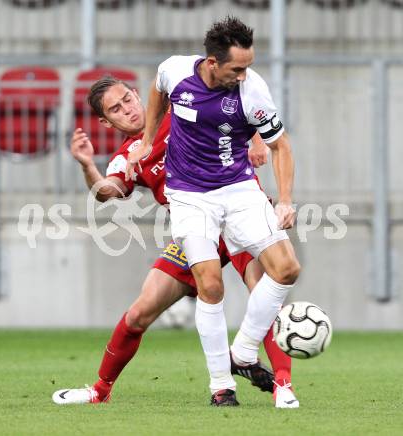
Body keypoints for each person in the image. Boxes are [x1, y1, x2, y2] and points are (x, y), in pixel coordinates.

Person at [52, 76, 297, 408]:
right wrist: (87, 167)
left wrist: (255, 139)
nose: (128, 109)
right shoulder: (129, 156)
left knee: (264, 292)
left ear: (138, 95)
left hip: (238, 212)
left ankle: (283, 385)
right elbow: (106, 191)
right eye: (116, 109)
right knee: (140, 312)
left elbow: (237, 106)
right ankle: (100, 390)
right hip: (195, 227)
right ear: (105, 122)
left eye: (127, 99)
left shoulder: (183, 107)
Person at [126, 16, 301, 408]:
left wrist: (285, 199)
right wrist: (147, 140)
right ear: (211, 62)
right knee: (211, 284)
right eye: (237, 68)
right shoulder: (175, 70)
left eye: (248, 66)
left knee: (287, 269)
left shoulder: (252, 91)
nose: (244, 74)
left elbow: (281, 146)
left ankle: (244, 351)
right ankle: (221, 384)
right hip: (189, 195)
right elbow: (158, 91)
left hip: (238, 188)